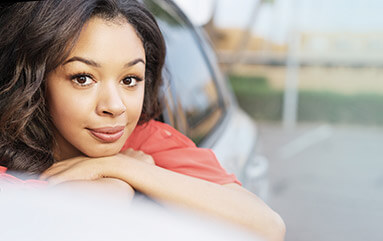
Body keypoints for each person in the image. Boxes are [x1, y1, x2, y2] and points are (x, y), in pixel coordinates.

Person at [0, 1, 285, 240]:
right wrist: (118, 183)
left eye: (129, 79)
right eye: (83, 78)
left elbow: (268, 227)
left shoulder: (147, 138)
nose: (115, 106)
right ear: (35, 83)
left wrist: (118, 165)